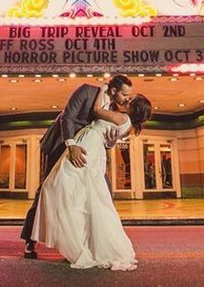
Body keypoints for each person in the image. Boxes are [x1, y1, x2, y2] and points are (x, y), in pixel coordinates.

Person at [32, 85, 153, 270]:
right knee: (82, 196)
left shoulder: (122, 117)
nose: (127, 99)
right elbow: (107, 135)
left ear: (135, 108)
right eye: (128, 96)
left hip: (88, 146)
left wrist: (104, 88)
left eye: (131, 99)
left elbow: (97, 110)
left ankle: (75, 244)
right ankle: (79, 243)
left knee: (55, 186)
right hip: (91, 148)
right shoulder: (126, 123)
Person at [20, 74, 134, 259]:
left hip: (90, 153)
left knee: (99, 192)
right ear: (114, 91)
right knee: (47, 190)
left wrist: (111, 143)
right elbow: (68, 118)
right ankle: (29, 241)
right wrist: (71, 145)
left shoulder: (113, 109)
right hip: (63, 144)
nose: (125, 98)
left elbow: (106, 136)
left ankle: (76, 244)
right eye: (124, 94)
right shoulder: (87, 91)